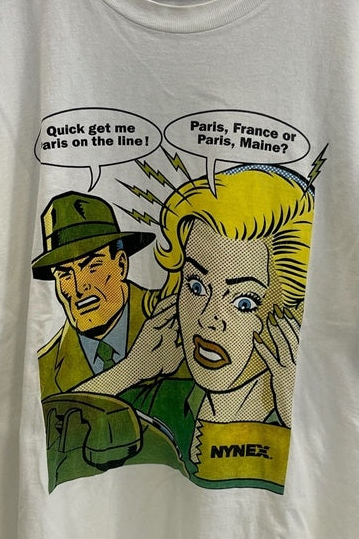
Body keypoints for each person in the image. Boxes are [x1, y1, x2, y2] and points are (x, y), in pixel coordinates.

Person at [72, 164, 319, 493]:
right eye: (196, 286)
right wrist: (130, 371)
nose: (208, 318)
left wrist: (292, 409)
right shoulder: (156, 402)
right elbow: (52, 440)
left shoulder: (300, 419)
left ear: (288, 315)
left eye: (244, 302)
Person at [31, 190, 157, 396]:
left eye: (92, 266)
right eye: (65, 274)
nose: (79, 288)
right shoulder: (45, 367)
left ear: (121, 264)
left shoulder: (172, 317)